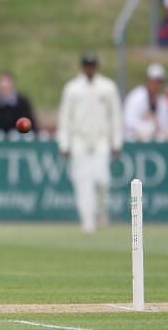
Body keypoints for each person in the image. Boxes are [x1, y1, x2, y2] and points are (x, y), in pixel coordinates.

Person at [57, 52, 122, 234]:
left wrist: (116, 142)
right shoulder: (72, 88)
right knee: (82, 182)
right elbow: (65, 118)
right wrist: (64, 144)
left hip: (101, 139)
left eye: (92, 65)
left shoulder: (108, 87)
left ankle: (101, 213)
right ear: (82, 67)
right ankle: (87, 221)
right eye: (87, 65)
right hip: (79, 140)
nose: (89, 69)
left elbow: (115, 116)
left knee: (102, 180)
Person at [123, 63, 166, 141]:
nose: (156, 85)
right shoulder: (137, 97)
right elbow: (129, 122)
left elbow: (164, 125)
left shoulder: (161, 101)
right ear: (148, 81)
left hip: (154, 144)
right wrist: (150, 127)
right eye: (154, 81)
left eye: (159, 82)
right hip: (133, 141)